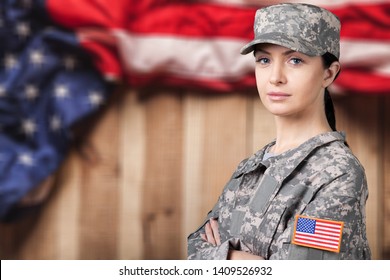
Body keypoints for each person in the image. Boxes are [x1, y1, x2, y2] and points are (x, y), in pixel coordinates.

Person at [187, 3, 371, 260]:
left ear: (328, 74)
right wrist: (238, 258)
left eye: (295, 60)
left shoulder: (336, 174)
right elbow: (195, 249)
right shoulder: (251, 167)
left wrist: (224, 256)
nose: (275, 77)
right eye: (264, 60)